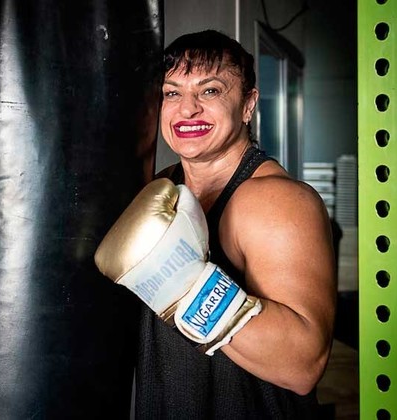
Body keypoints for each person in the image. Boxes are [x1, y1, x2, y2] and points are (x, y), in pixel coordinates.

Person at [95, 30, 336, 418]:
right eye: (172, 93)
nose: (188, 109)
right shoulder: (161, 188)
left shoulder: (277, 201)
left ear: (248, 104)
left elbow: (303, 365)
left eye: (209, 91)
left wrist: (183, 282)